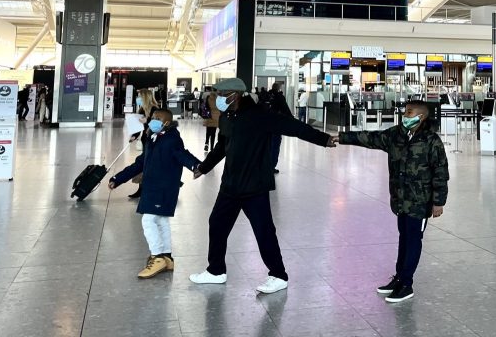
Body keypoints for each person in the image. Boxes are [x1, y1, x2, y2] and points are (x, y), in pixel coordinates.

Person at [189, 78, 335, 293]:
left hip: (254, 186)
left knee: (263, 231)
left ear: (236, 94)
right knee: (217, 225)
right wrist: (205, 166)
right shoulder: (227, 117)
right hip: (230, 185)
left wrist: (323, 139)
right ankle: (215, 271)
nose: (218, 98)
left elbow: (293, 127)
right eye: (217, 94)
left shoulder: (260, 116)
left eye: (223, 94)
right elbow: (222, 145)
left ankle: (278, 275)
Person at [333, 101, 449, 303]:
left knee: (413, 241)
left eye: (409, 112)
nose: (405, 115)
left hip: (420, 202)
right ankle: (399, 278)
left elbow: (440, 172)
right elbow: (369, 138)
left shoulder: (431, 141)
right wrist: (341, 137)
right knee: (404, 238)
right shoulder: (396, 136)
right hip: (401, 200)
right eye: (405, 112)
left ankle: (406, 284)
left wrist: (438, 202)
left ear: (420, 116)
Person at [109, 110, 202, 277]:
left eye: (158, 119)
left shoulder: (172, 139)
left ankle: (157, 257)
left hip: (164, 187)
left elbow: (182, 154)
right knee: (160, 220)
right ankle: (166, 257)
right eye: (153, 118)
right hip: (153, 186)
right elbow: (140, 163)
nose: (153, 121)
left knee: (148, 220)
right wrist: (118, 178)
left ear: (167, 123)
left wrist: (196, 166)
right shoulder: (153, 137)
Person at [128, 88, 160, 199]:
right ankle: (142, 189)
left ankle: (152, 188)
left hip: (155, 141)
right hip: (146, 140)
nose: (138, 99)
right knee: (145, 164)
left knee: (151, 164)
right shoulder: (141, 110)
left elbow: (160, 126)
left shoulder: (156, 110)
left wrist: (148, 121)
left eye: (140, 97)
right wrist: (134, 136)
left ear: (145, 97)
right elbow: (139, 126)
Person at [265, 82, 292, 174]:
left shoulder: (266, 96)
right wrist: (292, 121)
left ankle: (263, 165)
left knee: (267, 145)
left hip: (265, 124)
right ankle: (271, 166)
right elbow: (285, 109)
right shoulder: (279, 97)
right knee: (275, 146)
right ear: (279, 88)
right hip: (275, 124)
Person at [201, 87, 219, 153]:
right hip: (216, 117)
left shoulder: (208, 97)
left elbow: (205, 106)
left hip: (209, 116)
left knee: (208, 131)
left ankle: (206, 143)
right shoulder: (218, 98)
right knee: (213, 132)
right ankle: (212, 148)